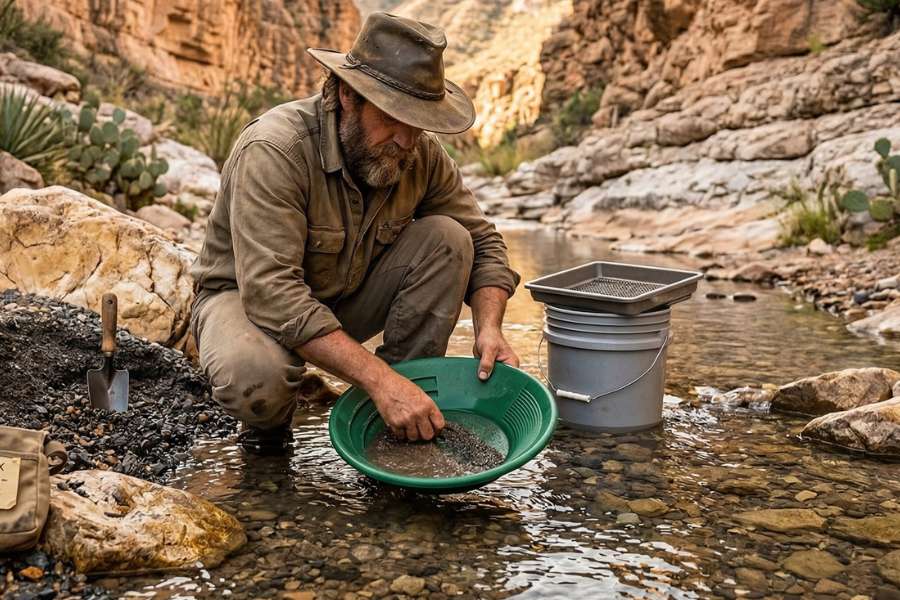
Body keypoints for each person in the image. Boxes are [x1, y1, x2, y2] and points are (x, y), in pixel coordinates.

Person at [189, 12, 521, 455]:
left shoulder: (420, 153)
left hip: (342, 295)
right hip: (247, 301)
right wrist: (378, 380)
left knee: (450, 237)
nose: (406, 140)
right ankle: (273, 432)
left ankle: (403, 413)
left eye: (418, 122)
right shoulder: (274, 149)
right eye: (392, 118)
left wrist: (489, 328)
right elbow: (272, 293)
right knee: (256, 380)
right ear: (347, 94)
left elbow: (483, 242)